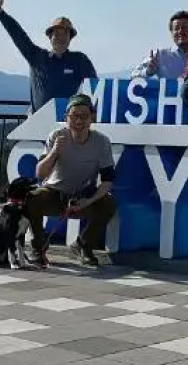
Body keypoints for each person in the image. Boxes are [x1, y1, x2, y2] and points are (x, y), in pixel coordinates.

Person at [22, 94, 117, 268]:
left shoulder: (102, 142)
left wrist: (89, 200)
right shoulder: (57, 136)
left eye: (84, 116)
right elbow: (40, 173)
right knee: (32, 198)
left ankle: (84, 244)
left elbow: (108, 181)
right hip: (54, 193)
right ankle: (38, 246)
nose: (79, 121)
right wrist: (54, 151)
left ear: (92, 118)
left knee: (108, 204)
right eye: (74, 116)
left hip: (82, 196)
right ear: (66, 118)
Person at [0, 0, 97, 112]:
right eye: (57, 34)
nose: (61, 38)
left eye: (65, 34)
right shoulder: (36, 56)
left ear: (70, 38)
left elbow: (95, 88)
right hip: (38, 122)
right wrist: (0, 12)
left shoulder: (79, 60)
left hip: (68, 121)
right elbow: (18, 34)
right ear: (50, 37)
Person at [132, 11, 188, 79]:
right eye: (176, 28)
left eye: (184, 27)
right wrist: (148, 71)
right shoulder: (160, 55)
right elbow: (134, 74)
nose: (180, 31)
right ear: (171, 32)